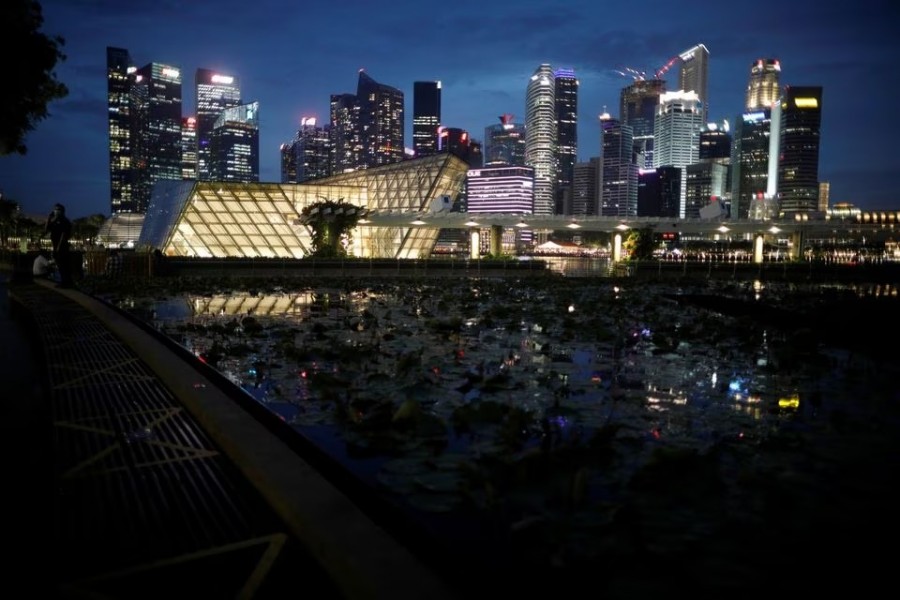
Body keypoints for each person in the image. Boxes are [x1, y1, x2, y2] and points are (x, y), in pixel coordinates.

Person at [45, 203, 74, 287]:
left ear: (62, 211)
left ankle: (66, 282)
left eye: (57, 209)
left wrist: (58, 248)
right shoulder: (54, 221)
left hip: (62, 247)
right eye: (55, 209)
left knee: (64, 265)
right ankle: (64, 281)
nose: (55, 211)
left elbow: (64, 235)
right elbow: (46, 229)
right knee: (60, 265)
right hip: (56, 245)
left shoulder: (65, 221)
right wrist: (49, 218)